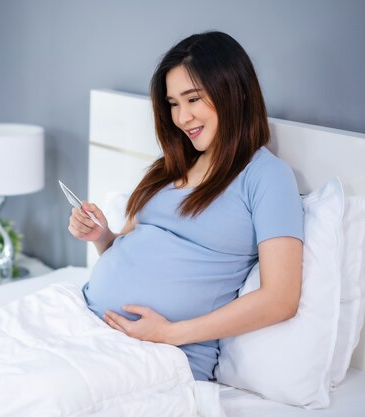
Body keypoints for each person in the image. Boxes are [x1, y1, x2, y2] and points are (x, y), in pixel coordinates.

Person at [68, 31, 304, 381]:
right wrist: (102, 236)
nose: (181, 117)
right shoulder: (168, 166)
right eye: (173, 104)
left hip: (160, 354)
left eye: (192, 99)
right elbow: (127, 249)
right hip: (82, 321)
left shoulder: (266, 176)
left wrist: (169, 333)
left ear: (234, 90)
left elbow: (281, 298)